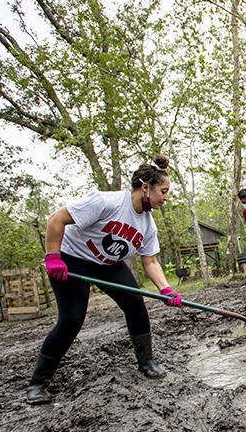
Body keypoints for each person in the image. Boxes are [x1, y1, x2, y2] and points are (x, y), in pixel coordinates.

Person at [27, 156, 183, 405]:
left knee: (135, 301)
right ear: (145, 187)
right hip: (72, 258)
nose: (165, 197)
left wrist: (166, 289)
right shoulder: (105, 202)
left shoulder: (147, 225)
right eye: (163, 191)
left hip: (107, 265)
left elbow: (150, 262)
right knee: (72, 319)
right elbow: (56, 220)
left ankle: (146, 362)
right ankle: (38, 384)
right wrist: (53, 257)